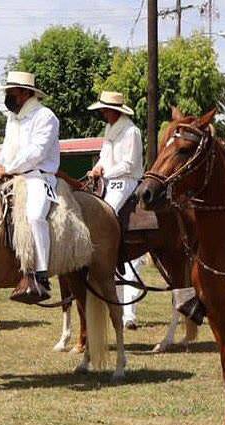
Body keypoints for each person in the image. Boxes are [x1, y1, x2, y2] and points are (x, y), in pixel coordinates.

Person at [0, 71, 60, 304]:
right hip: (11, 174)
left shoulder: (45, 116)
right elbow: (6, 146)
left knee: (34, 216)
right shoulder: (13, 117)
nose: (8, 97)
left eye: (11, 92)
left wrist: (9, 167)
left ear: (25, 93)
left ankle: (41, 275)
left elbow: (36, 152)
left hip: (38, 178)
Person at [87, 91, 144, 329]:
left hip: (127, 181)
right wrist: (97, 169)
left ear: (115, 110)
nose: (102, 113)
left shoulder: (131, 131)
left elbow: (128, 164)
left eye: (104, 110)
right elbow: (104, 157)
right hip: (110, 180)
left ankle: (129, 314)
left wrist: (105, 172)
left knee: (106, 213)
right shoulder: (110, 130)